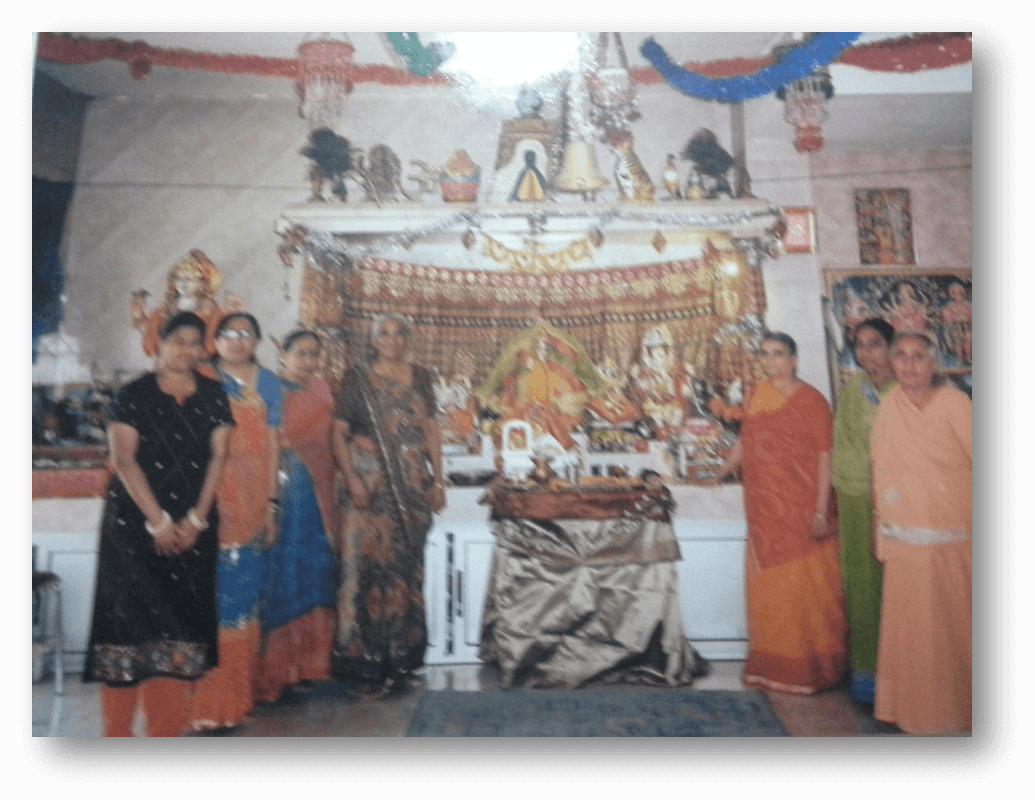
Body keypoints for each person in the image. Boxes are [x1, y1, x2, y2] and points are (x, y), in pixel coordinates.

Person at [83, 312, 233, 736]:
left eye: (194, 342)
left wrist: (197, 519)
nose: (186, 350)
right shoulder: (132, 393)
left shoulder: (215, 394)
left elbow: (219, 456)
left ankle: (167, 733)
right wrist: (160, 522)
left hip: (194, 525)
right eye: (177, 340)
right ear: (159, 342)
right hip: (134, 522)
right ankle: (117, 734)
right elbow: (124, 460)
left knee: (181, 625)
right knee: (127, 624)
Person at [710, 332, 848, 694]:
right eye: (765, 354)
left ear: (794, 360)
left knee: (805, 589)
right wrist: (721, 472)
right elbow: (745, 440)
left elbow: (825, 456)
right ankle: (772, 667)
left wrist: (820, 509)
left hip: (802, 507)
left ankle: (811, 668)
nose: (771, 361)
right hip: (764, 508)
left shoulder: (813, 401)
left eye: (779, 354)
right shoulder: (757, 394)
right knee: (771, 591)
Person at [333, 314, 446, 695]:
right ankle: (369, 664)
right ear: (373, 338)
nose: (392, 340)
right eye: (385, 333)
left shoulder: (422, 376)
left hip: (413, 487)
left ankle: (403, 657)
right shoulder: (357, 377)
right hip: (371, 485)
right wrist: (351, 479)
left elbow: (431, 428)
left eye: (399, 333)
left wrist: (438, 479)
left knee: (408, 569)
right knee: (370, 571)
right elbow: (339, 433)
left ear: (408, 339)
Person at [870, 331, 971, 734]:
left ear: (934, 363)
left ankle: (958, 711)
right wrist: (882, 528)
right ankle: (909, 711)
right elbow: (880, 468)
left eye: (918, 357)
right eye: (902, 357)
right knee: (909, 632)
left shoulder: (956, 404)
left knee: (955, 629)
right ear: (893, 363)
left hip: (955, 536)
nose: (910, 365)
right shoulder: (888, 406)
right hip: (903, 537)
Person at [190, 313, 283, 731]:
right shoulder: (199, 375)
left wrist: (270, 504)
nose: (239, 340)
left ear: (256, 340)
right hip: (202, 496)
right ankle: (199, 705)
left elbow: (274, 444)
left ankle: (233, 700)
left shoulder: (269, 383)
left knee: (240, 599)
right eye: (230, 333)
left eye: (247, 333)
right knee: (198, 600)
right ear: (217, 338)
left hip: (249, 499)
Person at [254, 330, 343, 703]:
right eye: (301, 353)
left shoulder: (323, 388)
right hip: (288, 484)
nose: (309, 361)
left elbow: (334, 435)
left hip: (323, 488)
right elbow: (262, 438)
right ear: (283, 355)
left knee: (317, 568)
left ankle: (310, 666)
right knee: (284, 570)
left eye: (315, 354)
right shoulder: (269, 387)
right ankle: (277, 670)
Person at [831, 318, 896, 704]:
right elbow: (841, 441)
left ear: (890, 346)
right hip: (854, 498)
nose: (865, 353)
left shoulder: (904, 390)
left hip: (892, 501)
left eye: (874, 344)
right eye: (859, 345)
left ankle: (901, 676)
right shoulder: (855, 388)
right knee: (859, 584)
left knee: (896, 585)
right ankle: (867, 676)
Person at [130, 250, 232, 358]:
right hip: (170, 361)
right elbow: (152, 335)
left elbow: (215, 340)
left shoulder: (211, 308)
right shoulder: (166, 308)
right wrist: (139, 316)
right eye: (179, 279)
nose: (183, 283)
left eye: (188, 279)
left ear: (202, 284)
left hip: (201, 363)